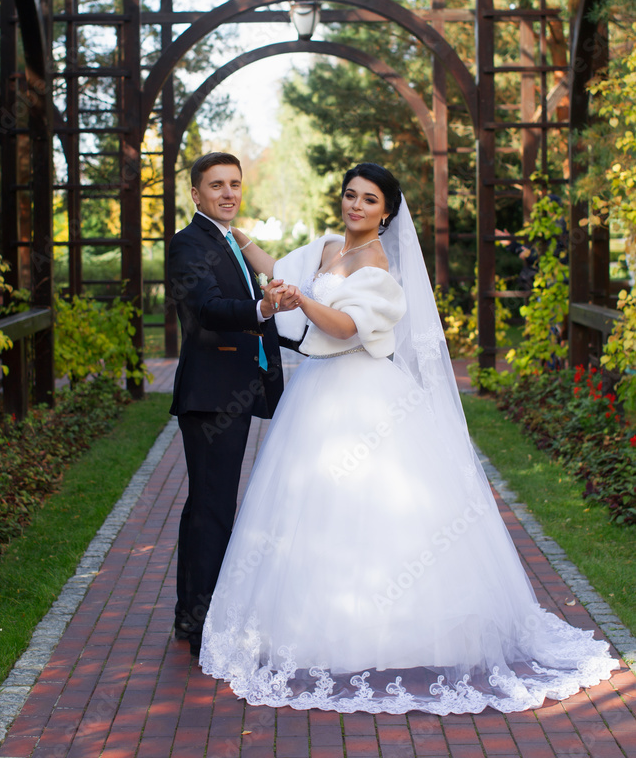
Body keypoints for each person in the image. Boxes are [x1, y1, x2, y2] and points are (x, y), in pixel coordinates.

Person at [198, 162, 619, 714]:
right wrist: (236, 233)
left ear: (387, 212)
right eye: (350, 195)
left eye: (369, 200)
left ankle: (395, 630)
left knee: (376, 502)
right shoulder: (328, 248)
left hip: (364, 392)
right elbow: (279, 267)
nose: (355, 206)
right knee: (312, 507)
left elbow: (347, 328)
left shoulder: (377, 264)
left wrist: (301, 302)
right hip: (318, 394)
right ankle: (316, 621)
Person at [168, 151, 297, 653]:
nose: (227, 193)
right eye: (216, 185)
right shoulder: (188, 244)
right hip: (212, 398)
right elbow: (205, 311)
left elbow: (251, 313)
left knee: (213, 505)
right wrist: (263, 306)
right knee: (212, 508)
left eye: (234, 184)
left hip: (235, 390)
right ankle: (198, 622)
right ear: (196, 195)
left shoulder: (229, 242)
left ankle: (196, 613)